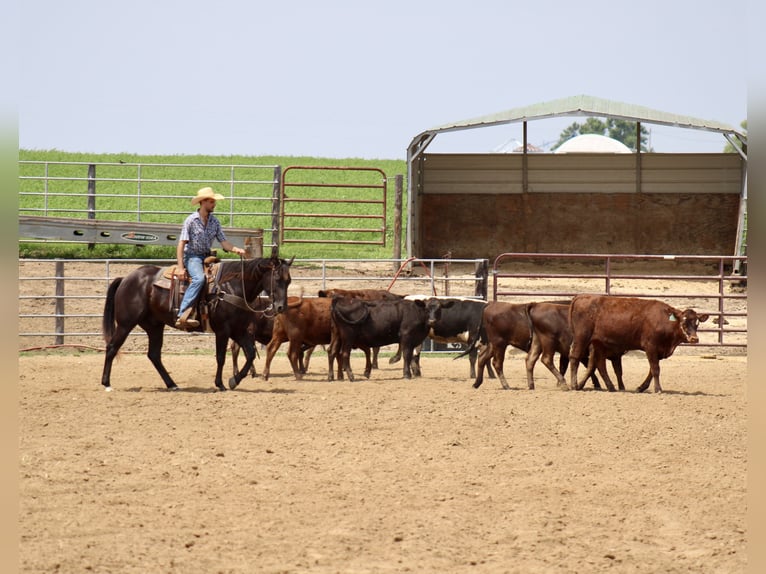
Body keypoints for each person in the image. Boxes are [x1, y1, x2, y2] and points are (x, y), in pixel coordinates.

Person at [174, 187, 246, 329]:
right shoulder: (190, 221)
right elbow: (181, 244)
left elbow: (223, 242)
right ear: (203, 202)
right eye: (211, 201)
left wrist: (235, 249)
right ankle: (182, 313)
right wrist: (181, 267)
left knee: (223, 278)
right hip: (192, 256)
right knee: (199, 279)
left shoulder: (215, 222)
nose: (214, 204)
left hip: (207, 257)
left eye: (214, 201)